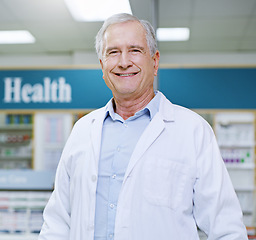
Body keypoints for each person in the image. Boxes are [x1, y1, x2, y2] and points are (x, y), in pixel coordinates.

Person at [38, 13, 247, 240]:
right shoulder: (82, 130)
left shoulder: (193, 131)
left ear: (155, 61)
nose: (124, 61)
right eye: (113, 52)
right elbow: (57, 223)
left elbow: (226, 229)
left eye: (135, 50)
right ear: (102, 65)